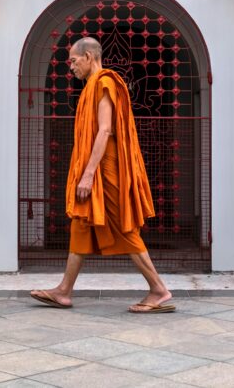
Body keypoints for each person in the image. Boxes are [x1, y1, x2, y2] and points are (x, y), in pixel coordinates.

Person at [30, 37, 174, 313]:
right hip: (95, 169)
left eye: (73, 61)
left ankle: (158, 289)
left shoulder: (105, 82)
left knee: (123, 227)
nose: (70, 67)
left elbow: (105, 130)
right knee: (81, 223)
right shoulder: (89, 89)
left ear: (88, 56)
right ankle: (63, 291)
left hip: (106, 170)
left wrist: (88, 174)